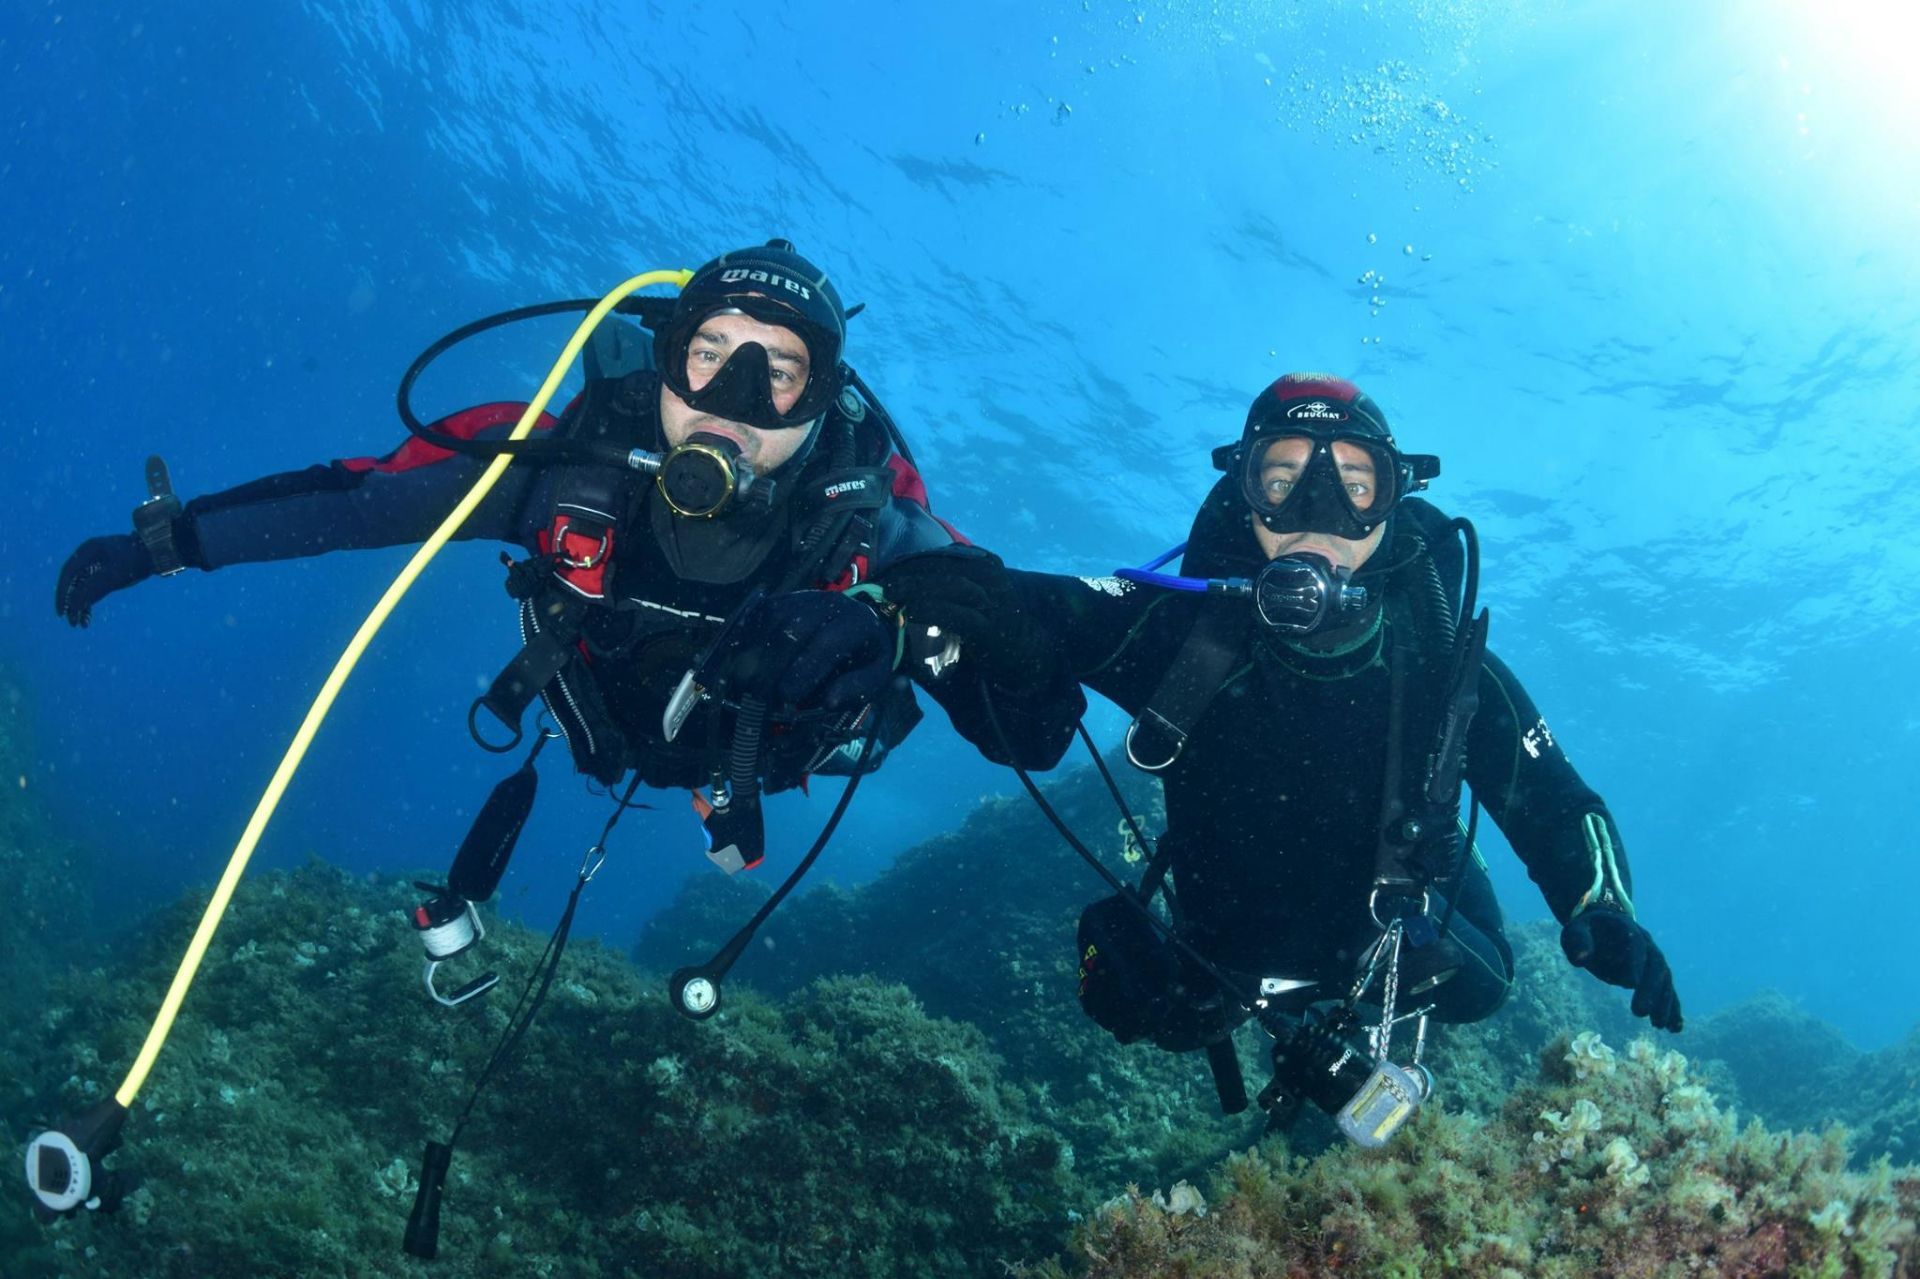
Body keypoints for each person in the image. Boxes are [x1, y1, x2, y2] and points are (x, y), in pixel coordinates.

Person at [55, 239, 1054, 873]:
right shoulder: (557, 460)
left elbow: (1027, 705)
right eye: (709, 354)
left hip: (783, 750)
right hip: (599, 728)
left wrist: (899, 625)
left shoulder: (867, 528)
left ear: (824, 398)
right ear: (665, 362)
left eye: (778, 371)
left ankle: (728, 779)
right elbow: (361, 499)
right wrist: (169, 543)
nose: (731, 398)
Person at [881, 372, 1682, 1130]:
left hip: (1388, 928)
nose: (1317, 512)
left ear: (1394, 501)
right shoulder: (1180, 630)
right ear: (1244, 491)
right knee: (1150, 1007)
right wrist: (923, 591)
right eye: (1283, 478)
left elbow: (1557, 799)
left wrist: (1602, 907)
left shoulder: (1443, 667)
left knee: (1486, 982)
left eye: (1355, 485)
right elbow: (1027, 598)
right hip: (1230, 934)